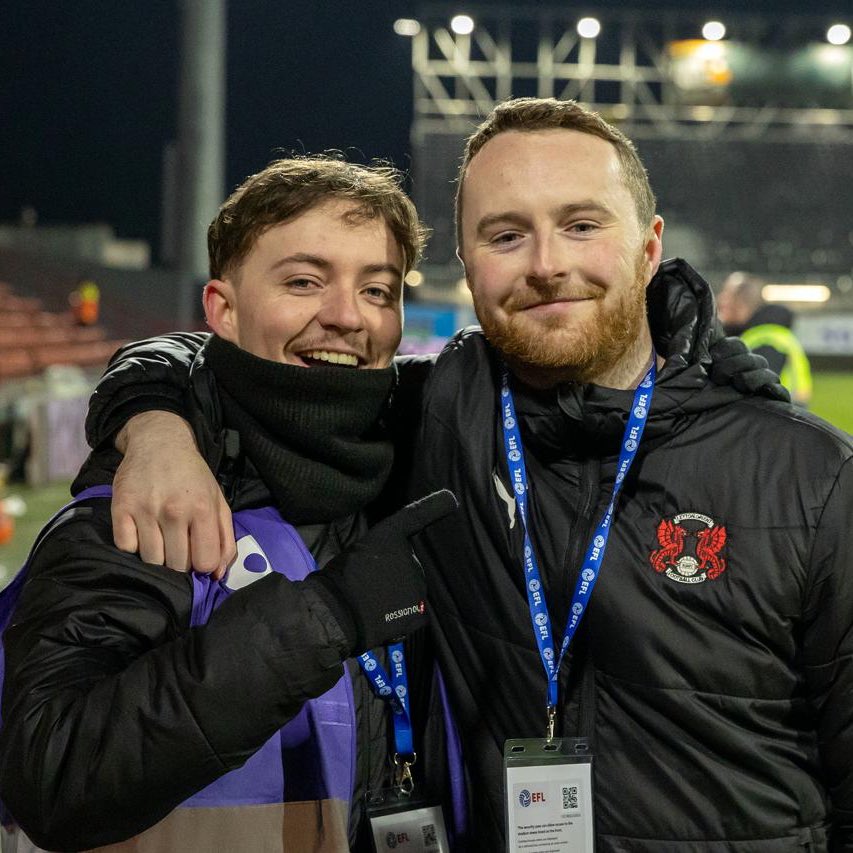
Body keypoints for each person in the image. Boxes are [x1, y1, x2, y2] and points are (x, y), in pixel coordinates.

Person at [71, 99, 853, 851]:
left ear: (648, 248)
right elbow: (232, 359)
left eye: (580, 225)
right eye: (505, 235)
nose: (546, 264)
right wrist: (154, 424)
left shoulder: (809, 477)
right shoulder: (440, 411)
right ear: (468, 267)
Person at [0, 157, 461, 853]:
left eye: (377, 289)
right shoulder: (146, 499)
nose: (346, 316)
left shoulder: (426, 454)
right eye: (303, 282)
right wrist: (325, 618)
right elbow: (53, 773)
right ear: (223, 309)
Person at [717, 270, 813, 406]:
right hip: (785, 410)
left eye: (727, 294)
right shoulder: (760, 333)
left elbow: (759, 394)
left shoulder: (766, 339)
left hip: (779, 412)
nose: (720, 300)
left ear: (740, 303)